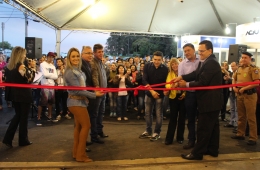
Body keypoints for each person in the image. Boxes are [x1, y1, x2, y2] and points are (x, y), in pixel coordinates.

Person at [175, 40, 223, 160]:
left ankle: (197, 153)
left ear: (210, 51)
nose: (200, 53)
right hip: (211, 101)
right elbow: (196, 74)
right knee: (213, 127)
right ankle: (212, 150)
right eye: (199, 51)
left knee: (203, 128)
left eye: (202, 51)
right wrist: (181, 76)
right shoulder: (205, 61)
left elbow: (203, 82)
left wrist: (185, 85)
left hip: (210, 101)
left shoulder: (211, 63)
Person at [64, 47, 103, 163]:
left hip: (80, 101)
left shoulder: (77, 70)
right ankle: (81, 155)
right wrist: (94, 95)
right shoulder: (70, 72)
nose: (76, 58)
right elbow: (78, 91)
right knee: (86, 126)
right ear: (69, 58)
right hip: (76, 102)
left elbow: (82, 88)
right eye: (73, 56)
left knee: (79, 127)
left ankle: (76, 152)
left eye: (77, 56)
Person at [2, 46, 35, 148]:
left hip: (14, 95)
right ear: (20, 55)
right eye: (24, 54)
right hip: (24, 95)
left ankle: (8, 138)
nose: (25, 56)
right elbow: (29, 79)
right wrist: (32, 68)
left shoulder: (8, 67)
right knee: (23, 118)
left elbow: (5, 80)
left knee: (18, 116)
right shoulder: (21, 66)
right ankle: (22, 140)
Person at [139, 51, 168, 141]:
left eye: (159, 60)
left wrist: (162, 91)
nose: (156, 61)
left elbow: (166, 82)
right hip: (149, 93)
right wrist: (152, 91)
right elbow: (144, 80)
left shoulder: (165, 69)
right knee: (148, 113)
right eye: (155, 59)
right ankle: (148, 130)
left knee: (159, 114)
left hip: (160, 94)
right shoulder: (147, 66)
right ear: (152, 59)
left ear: (162, 60)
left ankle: (157, 132)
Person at [231, 52, 259, 146]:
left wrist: (244, 88)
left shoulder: (254, 69)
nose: (243, 59)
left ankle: (253, 138)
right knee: (241, 116)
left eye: (245, 58)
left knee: (251, 117)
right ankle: (240, 133)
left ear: (250, 58)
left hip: (250, 95)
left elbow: (256, 83)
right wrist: (234, 87)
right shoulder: (239, 68)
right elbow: (233, 78)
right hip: (239, 94)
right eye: (242, 57)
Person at [178, 43, 200, 149]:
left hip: (202, 94)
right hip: (190, 94)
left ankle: (201, 140)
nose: (187, 53)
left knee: (202, 118)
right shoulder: (182, 64)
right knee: (190, 119)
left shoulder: (201, 62)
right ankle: (191, 140)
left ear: (194, 50)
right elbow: (181, 80)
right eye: (185, 51)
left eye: (188, 50)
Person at [163, 58, 186, 145]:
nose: (174, 66)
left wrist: (184, 94)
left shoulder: (183, 73)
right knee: (173, 118)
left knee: (182, 118)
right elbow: (167, 86)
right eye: (172, 65)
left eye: (176, 64)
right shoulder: (170, 74)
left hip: (183, 97)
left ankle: (180, 137)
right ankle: (169, 138)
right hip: (173, 97)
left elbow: (188, 85)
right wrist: (173, 85)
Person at [90, 44, 108, 144]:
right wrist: (97, 89)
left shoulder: (101, 62)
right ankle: (94, 135)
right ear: (94, 53)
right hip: (98, 93)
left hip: (103, 91)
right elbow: (94, 77)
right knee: (95, 114)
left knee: (101, 113)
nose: (101, 53)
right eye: (99, 52)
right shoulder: (93, 63)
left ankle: (99, 131)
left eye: (102, 51)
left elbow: (105, 75)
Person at [36, 52, 58, 126]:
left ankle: (50, 116)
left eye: (52, 57)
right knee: (42, 102)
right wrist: (52, 75)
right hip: (44, 84)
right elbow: (44, 74)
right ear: (47, 57)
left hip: (52, 85)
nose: (51, 58)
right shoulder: (43, 64)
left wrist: (49, 76)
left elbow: (56, 76)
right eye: (50, 57)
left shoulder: (53, 66)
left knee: (50, 102)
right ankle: (38, 117)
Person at [224, 62, 238, 129]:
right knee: (232, 108)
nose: (232, 68)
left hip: (236, 92)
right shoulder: (232, 73)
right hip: (230, 92)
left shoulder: (238, 73)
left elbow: (236, 82)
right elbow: (229, 82)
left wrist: (229, 79)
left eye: (233, 66)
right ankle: (232, 121)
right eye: (231, 66)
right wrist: (227, 79)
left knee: (236, 109)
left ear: (237, 66)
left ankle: (236, 124)